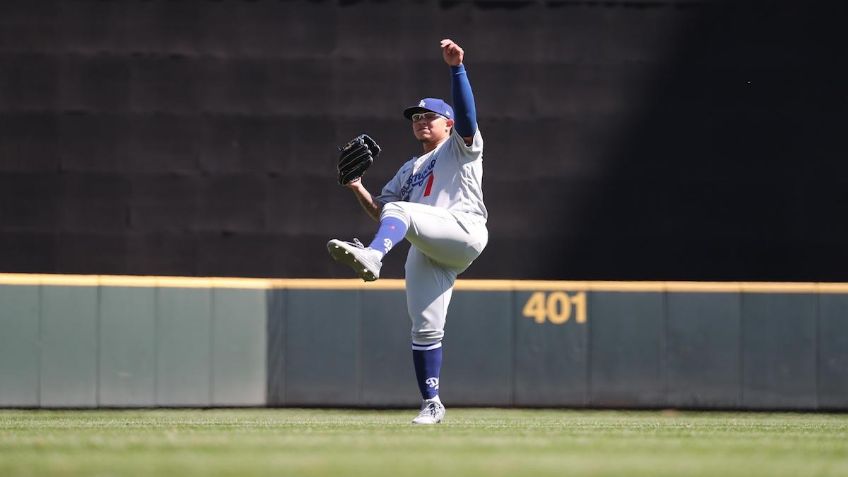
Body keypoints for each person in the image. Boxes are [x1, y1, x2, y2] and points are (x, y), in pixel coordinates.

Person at [327, 39, 487, 424]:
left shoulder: (460, 148)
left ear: (446, 124)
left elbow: (466, 116)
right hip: (427, 243)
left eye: (428, 116)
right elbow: (384, 213)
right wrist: (357, 187)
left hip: (463, 229)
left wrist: (457, 69)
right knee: (425, 328)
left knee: (401, 212)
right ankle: (432, 402)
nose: (420, 120)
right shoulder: (409, 169)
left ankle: (373, 255)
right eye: (415, 117)